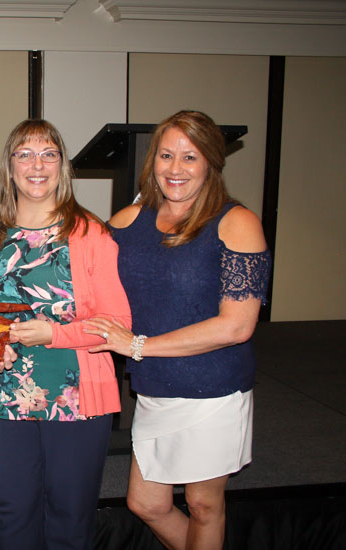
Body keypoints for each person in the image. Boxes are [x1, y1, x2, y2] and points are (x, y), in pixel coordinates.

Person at [84, 110, 271, 550]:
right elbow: (86, 275)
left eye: (190, 157)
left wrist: (138, 345)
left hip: (212, 387)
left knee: (204, 505)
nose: (175, 168)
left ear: (211, 162)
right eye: (166, 155)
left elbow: (237, 326)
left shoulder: (236, 222)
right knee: (146, 503)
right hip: (155, 387)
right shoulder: (130, 220)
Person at [0, 119, 131, 550]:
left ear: (63, 165)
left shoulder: (90, 233)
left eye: (48, 154)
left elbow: (118, 324)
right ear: (10, 166)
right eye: (25, 154)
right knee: (14, 511)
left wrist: (53, 334)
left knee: (69, 515)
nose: (36, 165)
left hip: (75, 397)